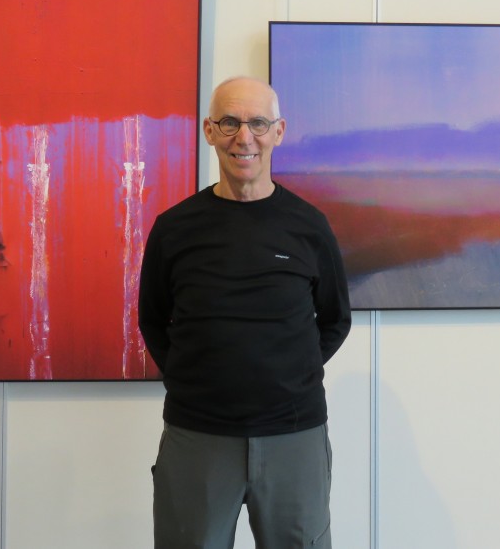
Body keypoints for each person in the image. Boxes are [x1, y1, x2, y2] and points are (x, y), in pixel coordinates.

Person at [138, 76, 352, 548]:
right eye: (230, 122)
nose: (244, 136)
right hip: (197, 433)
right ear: (209, 131)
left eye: (257, 122)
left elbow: (335, 318)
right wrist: (190, 377)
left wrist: (288, 373)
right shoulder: (174, 229)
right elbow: (152, 318)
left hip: (294, 434)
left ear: (278, 131)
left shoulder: (309, 226)